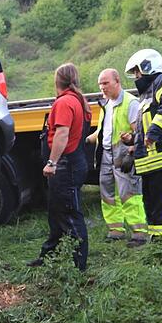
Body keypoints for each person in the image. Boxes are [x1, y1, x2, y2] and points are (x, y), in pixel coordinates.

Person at [29, 63, 91, 271]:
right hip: (74, 163)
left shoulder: (65, 102)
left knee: (70, 215)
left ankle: (79, 267)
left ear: (57, 80)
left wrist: (52, 162)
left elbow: (62, 134)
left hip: (66, 166)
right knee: (56, 212)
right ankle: (49, 256)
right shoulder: (79, 100)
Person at [123, 49, 162, 242]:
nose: (136, 76)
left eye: (137, 71)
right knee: (151, 203)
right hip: (151, 162)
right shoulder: (146, 93)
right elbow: (146, 125)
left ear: (148, 66)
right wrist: (133, 139)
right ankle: (157, 240)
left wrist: (153, 132)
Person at [86, 68, 148, 246]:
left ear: (117, 82)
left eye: (106, 83)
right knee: (107, 193)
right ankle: (116, 230)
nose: (102, 87)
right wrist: (87, 139)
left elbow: (139, 133)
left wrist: (132, 151)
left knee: (129, 193)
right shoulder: (106, 103)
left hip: (123, 155)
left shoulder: (130, 102)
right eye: (100, 84)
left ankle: (139, 233)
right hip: (106, 154)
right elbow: (103, 130)